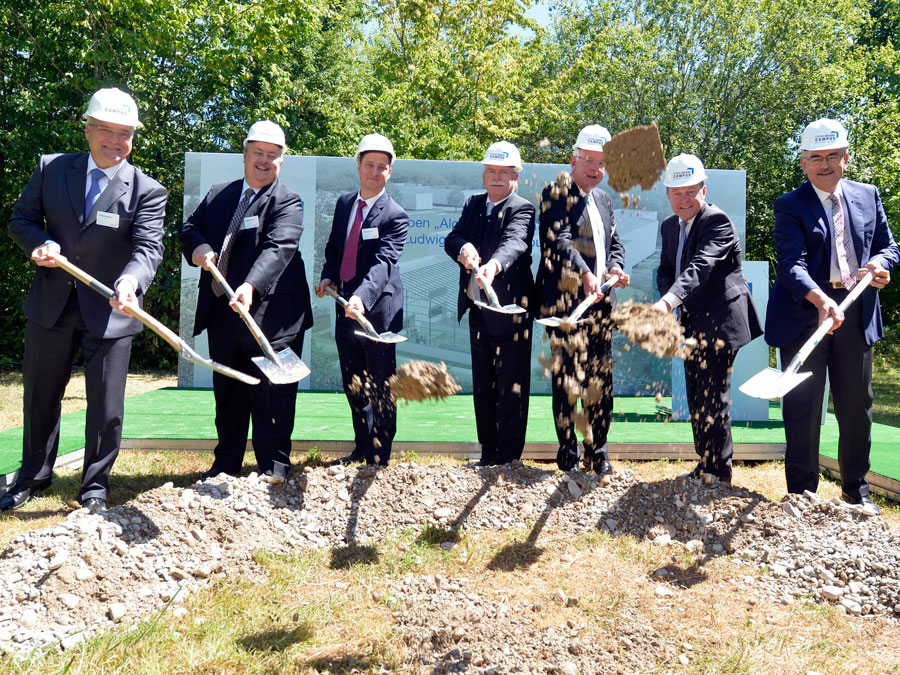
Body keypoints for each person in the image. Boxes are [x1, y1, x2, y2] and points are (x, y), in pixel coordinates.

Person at [3, 88, 167, 512]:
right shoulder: (52, 169)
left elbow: (148, 249)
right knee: (41, 393)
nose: (116, 141)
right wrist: (39, 244)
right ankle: (33, 475)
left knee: (106, 405)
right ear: (88, 129)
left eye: (125, 134)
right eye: (107, 131)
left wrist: (131, 282)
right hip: (52, 305)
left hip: (112, 310)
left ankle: (94, 485)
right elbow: (21, 220)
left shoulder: (147, 190)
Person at [766, 118, 899, 514]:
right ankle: (802, 495)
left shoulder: (867, 195)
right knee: (803, 406)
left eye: (833, 156)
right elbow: (792, 264)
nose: (825, 165)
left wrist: (878, 264)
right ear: (803, 163)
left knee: (856, 405)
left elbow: (889, 247)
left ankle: (856, 490)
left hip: (856, 314)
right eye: (816, 158)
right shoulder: (790, 205)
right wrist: (821, 299)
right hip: (805, 314)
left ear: (846, 158)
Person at [179, 121, 312, 483]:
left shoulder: (287, 201)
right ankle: (226, 466)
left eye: (273, 155)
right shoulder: (219, 194)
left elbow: (279, 247)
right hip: (224, 312)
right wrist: (198, 248)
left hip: (274, 316)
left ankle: (274, 468)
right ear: (245, 153)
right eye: (258, 153)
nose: (264, 161)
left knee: (274, 395)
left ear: (282, 161)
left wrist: (252, 285)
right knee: (229, 392)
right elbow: (189, 229)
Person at [652, 154, 762, 484]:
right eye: (677, 193)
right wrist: (666, 299)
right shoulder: (670, 226)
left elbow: (700, 267)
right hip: (691, 322)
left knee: (714, 395)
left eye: (691, 191)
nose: (684, 199)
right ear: (668, 194)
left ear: (703, 189)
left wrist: (670, 300)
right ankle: (705, 463)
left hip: (721, 321)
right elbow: (666, 269)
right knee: (696, 394)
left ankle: (720, 471)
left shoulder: (717, 221)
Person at [535, 124, 629, 474]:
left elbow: (614, 244)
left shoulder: (603, 199)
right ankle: (568, 452)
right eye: (588, 161)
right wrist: (585, 273)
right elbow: (559, 241)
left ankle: (598, 450)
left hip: (601, 305)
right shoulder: (555, 193)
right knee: (568, 381)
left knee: (601, 382)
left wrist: (615, 268)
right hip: (565, 307)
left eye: (601, 163)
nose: (595, 169)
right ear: (573, 161)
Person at [315, 134, 409, 466]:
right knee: (353, 379)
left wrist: (360, 297)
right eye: (369, 164)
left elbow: (385, 264)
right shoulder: (344, 204)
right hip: (345, 306)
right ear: (358, 166)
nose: (374, 171)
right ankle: (361, 446)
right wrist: (329, 275)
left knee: (381, 382)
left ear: (389, 171)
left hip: (378, 311)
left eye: (382, 167)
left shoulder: (395, 216)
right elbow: (334, 249)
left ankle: (379, 454)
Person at [444, 142, 536, 465]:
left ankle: (510, 459)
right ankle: (488, 453)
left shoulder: (522, 209)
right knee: (484, 386)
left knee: (511, 386)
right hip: (478, 310)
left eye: (505, 173)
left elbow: (516, 243)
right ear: (484, 176)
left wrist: (493, 266)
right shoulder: (473, 204)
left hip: (510, 313)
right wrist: (465, 248)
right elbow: (452, 238)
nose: (497, 178)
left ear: (516, 177)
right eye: (492, 172)